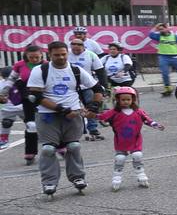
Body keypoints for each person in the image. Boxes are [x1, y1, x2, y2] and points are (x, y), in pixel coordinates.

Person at [27, 40, 99, 195]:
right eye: (56, 55)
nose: (60, 57)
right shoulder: (40, 70)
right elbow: (36, 96)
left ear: (67, 53)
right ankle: (49, 182)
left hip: (73, 115)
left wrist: (94, 107)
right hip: (47, 115)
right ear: (49, 55)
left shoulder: (76, 70)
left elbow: (97, 88)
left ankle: (78, 177)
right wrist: (61, 110)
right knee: (48, 149)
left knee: (74, 146)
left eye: (63, 54)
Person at [98, 85, 163, 190]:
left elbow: (147, 120)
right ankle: (117, 177)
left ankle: (140, 174)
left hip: (135, 140)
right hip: (121, 141)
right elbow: (102, 117)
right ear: (117, 100)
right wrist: (90, 115)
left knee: (137, 155)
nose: (126, 102)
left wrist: (156, 125)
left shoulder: (138, 112)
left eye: (128, 99)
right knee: (120, 158)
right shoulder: (114, 113)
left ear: (133, 99)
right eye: (123, 99)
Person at [3, 45, 45, 160]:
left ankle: (60, 147)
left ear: (41, 55)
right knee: (31, 125)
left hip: (45, 97)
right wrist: (5, 91)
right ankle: (30, 152)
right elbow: (11, 79)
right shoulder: (19, 65)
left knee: (51, 122)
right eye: (31, 57)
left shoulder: (46, 65)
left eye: (37, 57)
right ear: (26, 56)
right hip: (27, 98)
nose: (35, 60)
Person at [149, 23, 177, 97]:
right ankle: (168, 88)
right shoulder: (159, 36)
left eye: (162, 29)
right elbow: (150, 35)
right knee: (165, 73)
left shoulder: (174, 36)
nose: (161, 31)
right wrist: (155, 27)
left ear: (167, 28)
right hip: (164, 57)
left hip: (175, 57)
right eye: (159, 29)